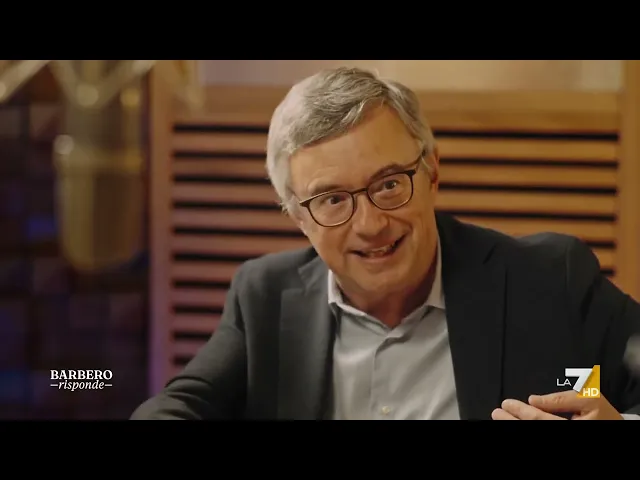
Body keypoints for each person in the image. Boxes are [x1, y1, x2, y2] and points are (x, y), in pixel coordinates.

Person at [131, 67, 640, 420]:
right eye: (332, 199)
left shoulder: (550, 281)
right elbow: (181, 404)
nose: (372, 224)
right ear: (298, 217)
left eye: (390, 183)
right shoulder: (264, 297)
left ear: (432, 171)